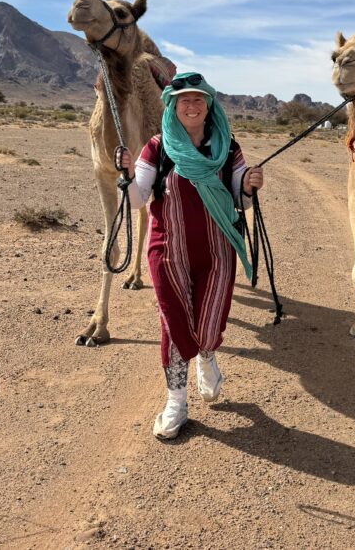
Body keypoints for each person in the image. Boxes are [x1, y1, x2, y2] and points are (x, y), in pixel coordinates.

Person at [117, 71, 264, 439]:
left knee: (209, 323)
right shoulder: (157, 147)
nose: (192, 105)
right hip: (169, 253)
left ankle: (209, 355)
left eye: (199, 99)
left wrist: (247, 184)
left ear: (209, 104)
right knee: (175, 323)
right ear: (173, 105)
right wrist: (126, 175)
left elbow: (239, 201)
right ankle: (176, 402)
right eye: (185, 100)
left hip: (218, 253)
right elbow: (138, 198)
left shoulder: (227, 148)